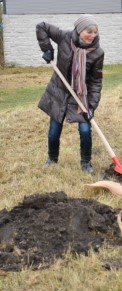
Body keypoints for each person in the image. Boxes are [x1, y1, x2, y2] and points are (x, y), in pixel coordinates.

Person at [36, 14, 104, 174]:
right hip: (59, 90)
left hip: (81, 95)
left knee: (86, 130)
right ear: (79, 30)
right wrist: (47, 50)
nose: (92, 36)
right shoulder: (65, 37)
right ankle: (52, 159)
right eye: (89, 31)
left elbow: (96, 82)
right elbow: (42, 26)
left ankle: (86, 163)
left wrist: (92, 106)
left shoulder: (98, 52)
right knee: (54, 130)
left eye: (95, 32)